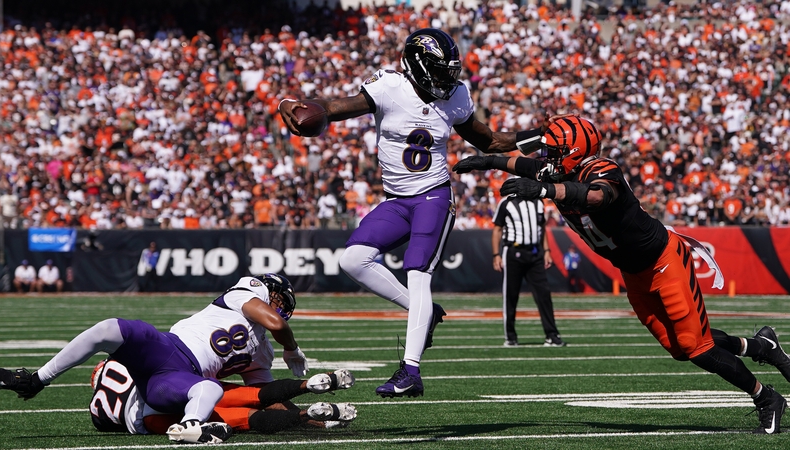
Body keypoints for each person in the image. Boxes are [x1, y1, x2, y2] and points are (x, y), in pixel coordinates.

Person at [452, 114, 790, 434]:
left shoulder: (602, 168)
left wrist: (545, 191)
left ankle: (766, 397)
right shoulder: (557, 170)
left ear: (573, 153)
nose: (547, 158)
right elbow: (525, 164)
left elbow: (598, 196)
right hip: (633, 273)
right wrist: (489, 162)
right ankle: (761, 346)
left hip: (665, 261)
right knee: (679, 347)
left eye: (554, 152)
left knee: (696, 346)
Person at [279, 28, 528, 398]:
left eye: (450, 70)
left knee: (417, 273)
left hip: (433, 197)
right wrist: (294, 104)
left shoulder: (457, 96)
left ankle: (410, 370)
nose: (447, 78)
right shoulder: (389, 87)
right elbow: (332, 108)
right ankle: (425, 311)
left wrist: (538, 135)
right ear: (416, 64)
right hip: (396, 200)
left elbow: (490, 141)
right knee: (353, 259)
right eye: (439, 69)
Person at [0, 273, 310, 444]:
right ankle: (34, 380)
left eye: (285, 305)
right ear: (266, 290)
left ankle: (190, 427)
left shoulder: (263, 351)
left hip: (179, 376)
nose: (280, 308)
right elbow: (276, 323)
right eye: (278, 299)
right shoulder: (245, 291)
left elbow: (263, 397)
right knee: (108, 328)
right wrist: (292, 349)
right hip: (165, 346)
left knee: (209, 391)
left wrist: (306, 416)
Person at [89, 358, 356, 436]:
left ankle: (304, 415)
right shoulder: (118, 363)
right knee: (254, 394)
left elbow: (109, 424)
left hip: (147, 419)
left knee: (246, 420)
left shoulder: (96, 411)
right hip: (166, 389)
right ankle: (308, 384)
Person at [491, 195, 564, 347]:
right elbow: (497, 228)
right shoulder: (506, 202)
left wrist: (547, 250)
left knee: (544, 295)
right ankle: (510, 337)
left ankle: (552, 335)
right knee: (511, 296)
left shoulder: (538, 202)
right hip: (512, 252)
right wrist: (496, 254)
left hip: (535, 253)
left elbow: (542, 227)